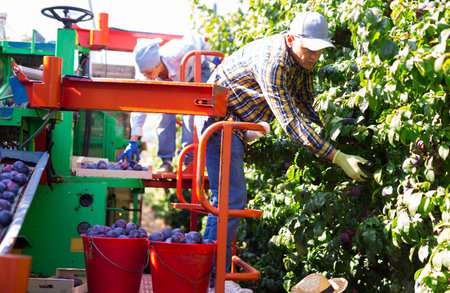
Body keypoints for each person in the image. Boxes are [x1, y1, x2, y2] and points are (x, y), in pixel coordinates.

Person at [196, 11, 372, 293]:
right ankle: (210, 281)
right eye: (310, 49)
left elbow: (305, 102)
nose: (314, 56)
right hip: (219, 124)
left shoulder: (300, 61)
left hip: (235, 127)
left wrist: (330, 123)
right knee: (230, 200)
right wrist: (337, 156)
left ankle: (208, 276)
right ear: (291, 39)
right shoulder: (274, 61)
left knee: (229, 201)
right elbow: (290, 123)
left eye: (319, 50)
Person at [118, 32, 212, 173]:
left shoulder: (178, 52)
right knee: (162, 115)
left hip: (196, 73)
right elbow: (139, 106)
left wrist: (213, 59)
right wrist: (132, 140)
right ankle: (166, 162)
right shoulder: (147, 77)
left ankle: (188, 161)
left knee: (192, 116)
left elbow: (197, 39)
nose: (148, 77)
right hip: (174, 82)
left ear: (158, 64)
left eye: (150, 73)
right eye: (145, 75)